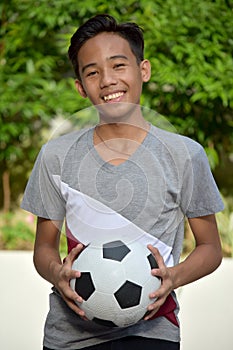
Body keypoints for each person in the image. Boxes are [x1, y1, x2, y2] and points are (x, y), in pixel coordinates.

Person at [21, 14, 224, 350]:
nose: (107, 80)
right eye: (92, 72)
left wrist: (173, 278)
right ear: (80, 87)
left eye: (118, 65)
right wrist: (58, 274)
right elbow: (43, 248)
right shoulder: (56, 156)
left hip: (152, 334)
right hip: (69, 337)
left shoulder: (185, 155)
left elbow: (211, 248)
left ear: (143, 70)